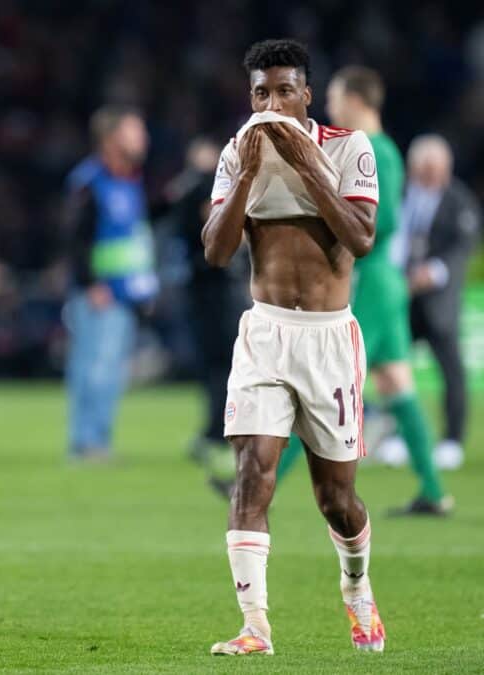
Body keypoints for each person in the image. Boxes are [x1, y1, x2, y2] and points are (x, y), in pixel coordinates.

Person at [202, 39, 385, 656]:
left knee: (336, 500)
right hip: (265, 333)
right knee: (253, 473)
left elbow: (360, 238)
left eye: (284, 91)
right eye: (261, 93)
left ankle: (357, 589)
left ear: (307, 93)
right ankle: (255, 627)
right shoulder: (237, 153)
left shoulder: (347, 147)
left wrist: (307, 164)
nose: (272, 104)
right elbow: (216, 251)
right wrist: (251, 172)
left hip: (329, 340)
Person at [273, 66, 451, 515]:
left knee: (324, 381)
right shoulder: (378, 149)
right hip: (384, 281)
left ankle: (262, 481)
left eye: (334, 96)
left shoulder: (374, 150)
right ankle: (433, 492)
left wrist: (332, 227)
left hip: (372, 280)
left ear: (356, 99)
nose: (328, 105)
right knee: (397, 384)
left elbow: (385, 220)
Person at [61, 106, 157, 461]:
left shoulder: (130, 179)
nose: (142, 139)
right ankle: (87, 443)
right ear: (112, 138)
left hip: (125, 291)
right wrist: (90, 283)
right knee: (94, 368)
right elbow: (74, 237)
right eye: (135, 132)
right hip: (99, 293)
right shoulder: (90, 181)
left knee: (109, 371)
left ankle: (94, 439)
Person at [165, 137, 250, 472]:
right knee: (215, 365)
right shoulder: (195, 189)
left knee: (225, 365)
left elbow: (229, 234)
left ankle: (229, 433)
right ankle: (217, 431)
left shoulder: (208, 190)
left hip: (220, 289)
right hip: (209, 288)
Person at [401, 134, 481, 470]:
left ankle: (451, 439)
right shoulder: (401, 194)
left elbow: (463, 245)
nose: (433, 174)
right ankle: (399, 436)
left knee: (452, 372)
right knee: (394, 368)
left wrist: (432, 272)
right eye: (426, 168)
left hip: (439, 302)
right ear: (414, 167)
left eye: (438, 168)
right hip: (403, 298)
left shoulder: (459, 200)